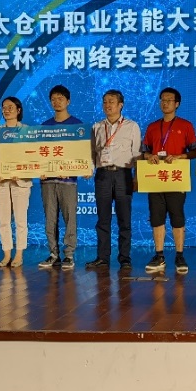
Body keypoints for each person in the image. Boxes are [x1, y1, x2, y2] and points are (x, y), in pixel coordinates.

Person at [141, 87, 196, 275]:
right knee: (157, 217)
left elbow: (195, 151)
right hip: (155, 178)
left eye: (169, 100)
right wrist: (149, 156)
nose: (165, 103)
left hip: (176, 178)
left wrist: (181, 156)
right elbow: (144, 151)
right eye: (162, 100)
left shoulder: (186, 125)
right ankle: (159, 255)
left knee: (177, 216)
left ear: (177, 104)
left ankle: (180, 255)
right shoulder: (152, 127)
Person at [86, 89, 141, 271]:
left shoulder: (132, 126)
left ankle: (125, 258)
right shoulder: (97, 127)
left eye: (111, 101)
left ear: (120, 105)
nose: (107, 105)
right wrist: (88, 169)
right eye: (105, 102)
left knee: (124, 219)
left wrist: (137, 178)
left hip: (123, 174)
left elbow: (137, 154)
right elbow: (92, 152)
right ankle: (102, 257)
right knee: (103, 219)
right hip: (102, 175)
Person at [38, 85, 83, 269]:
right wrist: (39, 169)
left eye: (60, 98)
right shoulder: (44, 126)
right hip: (47, 181)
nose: (56, 102)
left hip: (68, 181)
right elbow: (38, 153)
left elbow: (82, 154)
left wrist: (72, 169)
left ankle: (69, 255)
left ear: (68, 101)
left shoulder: (77, 125)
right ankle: (53, 253)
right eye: (53, 99)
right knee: (50, 219)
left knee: (69, 218)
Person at [0, 96, 32, 268]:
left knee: (20, 219)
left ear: (18, 110)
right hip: (1, 181)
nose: (6, 110)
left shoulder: (26, 131)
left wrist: (21, 171)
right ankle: (7, 253)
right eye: (4, 107)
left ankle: (19, 254)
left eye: (10, 107)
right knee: (3, 220)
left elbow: (31, 156)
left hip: (21, 181)